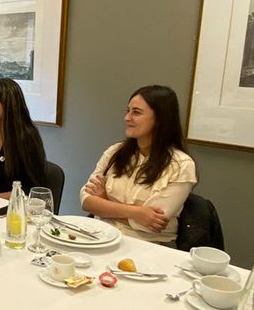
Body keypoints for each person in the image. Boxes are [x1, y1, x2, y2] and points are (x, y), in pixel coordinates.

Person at [79, 85, 196, 244]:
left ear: (160, 119)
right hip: (102, 236)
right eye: (128, 111)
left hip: (149, 245)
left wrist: (105, 203)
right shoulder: (115, 152)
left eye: (136, 112)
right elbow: (87, 201)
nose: (127, 118)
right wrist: (136, 212)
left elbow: (151, 224)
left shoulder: (182, 165)